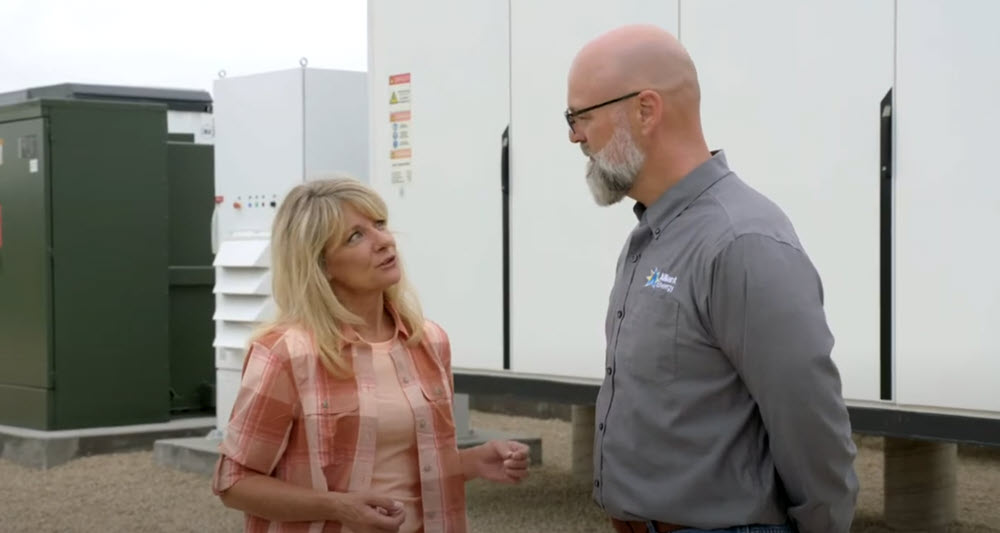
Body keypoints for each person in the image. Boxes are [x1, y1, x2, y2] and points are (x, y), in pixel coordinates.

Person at [565, 25, 859, 533]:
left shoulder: (741, 241)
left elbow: (808, 419)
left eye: (580, 116)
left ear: (646, 110)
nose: (575, 136)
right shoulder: (652, 234)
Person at [211, 177, 530, 533]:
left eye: (379, 224)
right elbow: (234, 482)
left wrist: (472, 462)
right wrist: (339, 507)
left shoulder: (429, 341)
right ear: (321, 265)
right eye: (355, 237)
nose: (384, 241)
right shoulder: (285, 354)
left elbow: (406, 467)